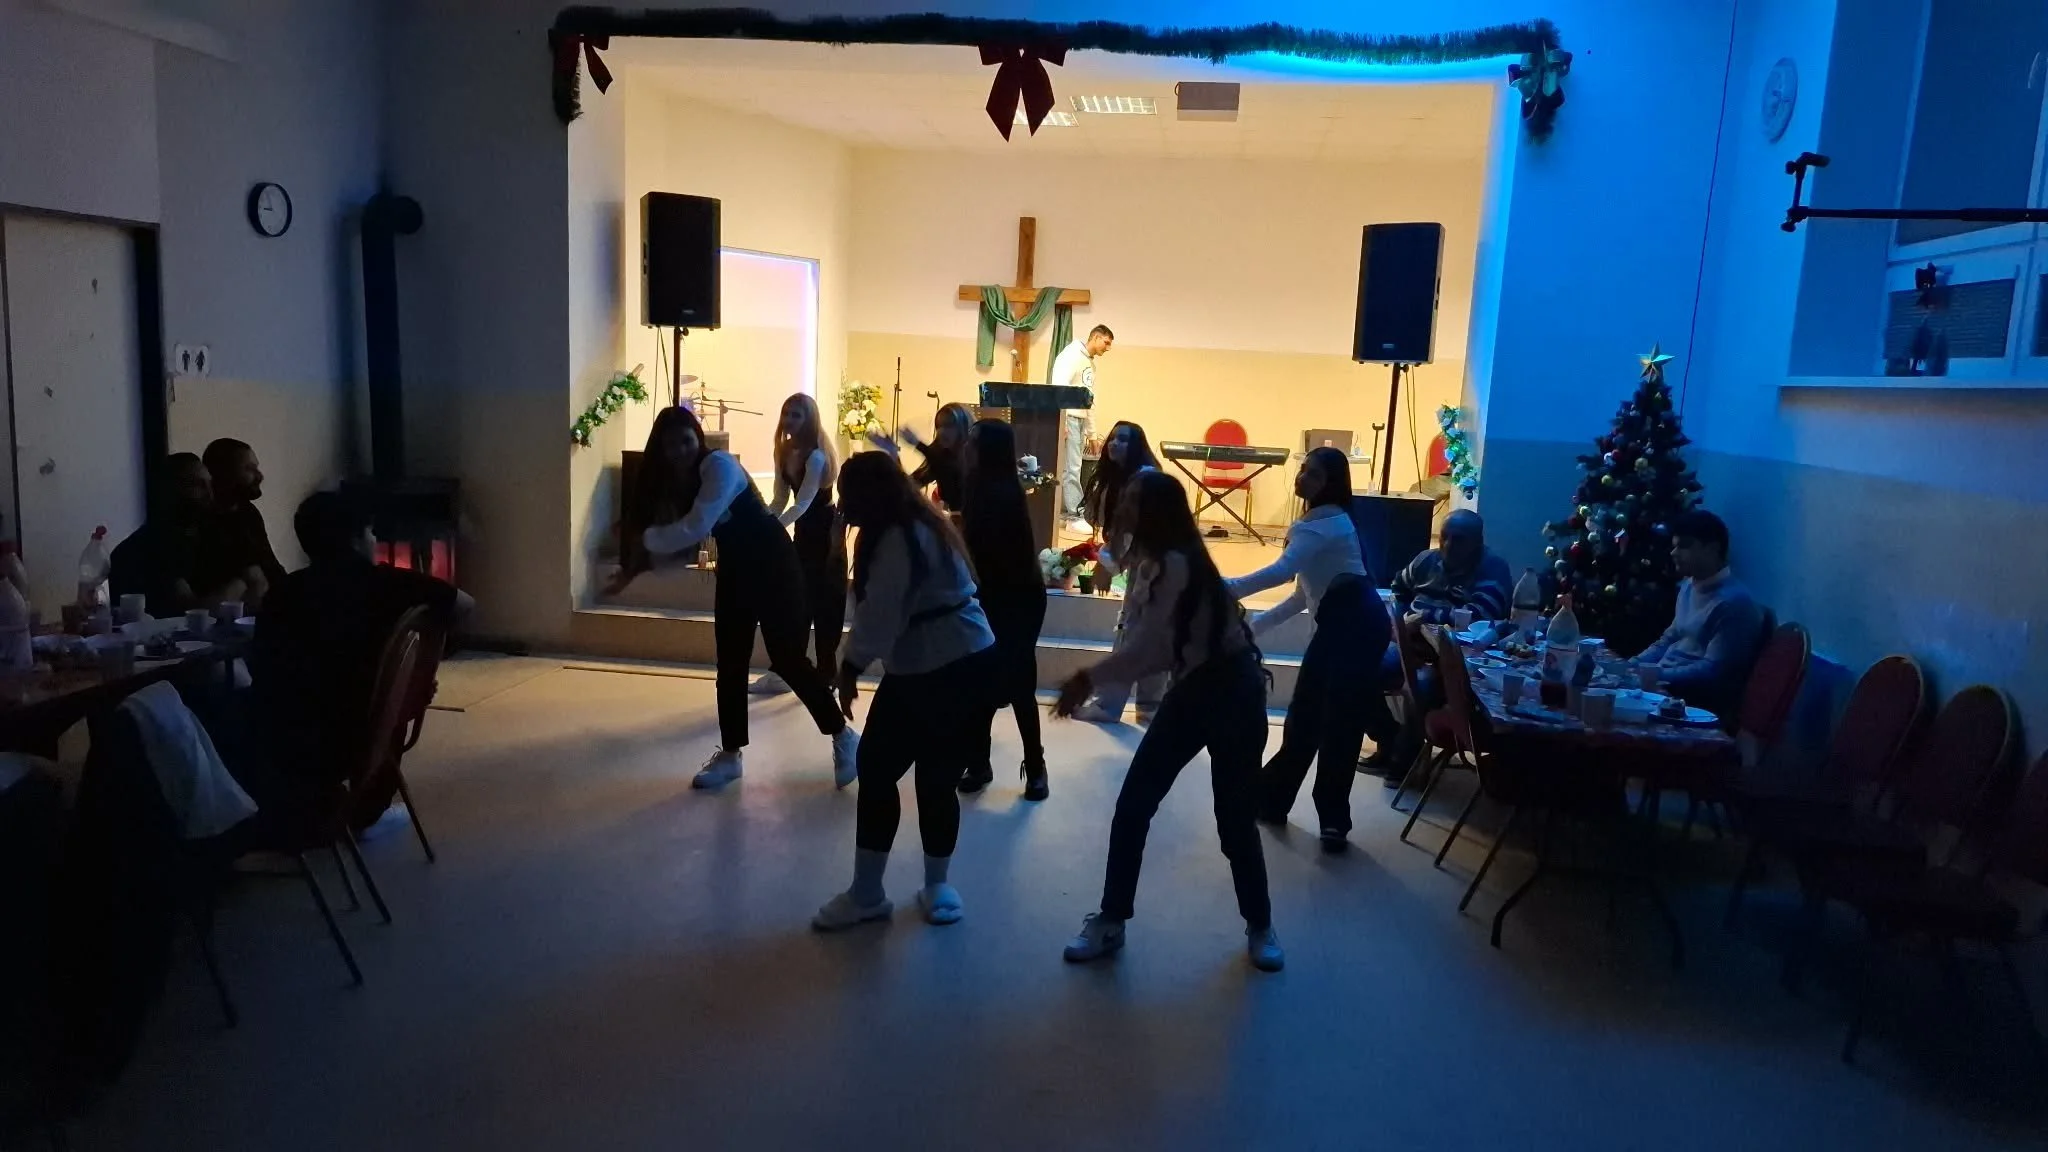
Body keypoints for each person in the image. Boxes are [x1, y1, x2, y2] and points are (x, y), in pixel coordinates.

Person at [1055, 471, 1283, 973]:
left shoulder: (1176, 564)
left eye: (1135, 500)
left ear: (1156, 511)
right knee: (1135, 804)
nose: (1126, 504)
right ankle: (1111, 919)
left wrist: (1087, 678)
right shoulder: (1154, 560)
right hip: (1195, 687)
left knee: (1233, 822)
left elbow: (1151, 650)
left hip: (1232, 689)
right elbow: (1154, 646)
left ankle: (1261, 924)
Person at [614, 405, 858, 790]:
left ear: (698, 437)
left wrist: (640, 544)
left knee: (789, 660)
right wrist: (635, 566)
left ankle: (844, 738)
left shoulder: (720, 467)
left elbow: (694, 527)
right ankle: (730, 756)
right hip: (736, 571)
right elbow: (678, 537)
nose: (678, 450)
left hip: (775, 565)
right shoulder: (674, 480)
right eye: (669, 444)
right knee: (730, 662)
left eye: (685, 440)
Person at [814, 452, 999, 931]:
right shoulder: (919, 522)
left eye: (847, 497)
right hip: (953, 659)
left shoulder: (899, 536)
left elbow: (881, 613)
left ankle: (876, 892)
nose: (842, 506)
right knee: (916, 775)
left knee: (891, 770)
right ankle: (918, 887)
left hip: (946, 664)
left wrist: (849, 666)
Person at [249, 490, 459, 831]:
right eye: (371, 533)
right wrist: (419, 673)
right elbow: (463, 605)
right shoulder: (389, 584)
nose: (375, 540)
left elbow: (265, 674)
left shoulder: (284, 594)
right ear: (355, 537)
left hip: (299, 741)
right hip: (368, 735)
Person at [1227, 447, 1398, 853]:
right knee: (1310, 718)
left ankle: (1327, 819)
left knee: (1333, 721)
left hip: (1353, 623)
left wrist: (1224, 587)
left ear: (1331, 484)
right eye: (1303, 470)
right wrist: (1252, 629)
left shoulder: (1322, 524)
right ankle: (1276, 802)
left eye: (1313, 474)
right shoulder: (1324, 521)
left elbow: (1281, 572)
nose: (1302, 477)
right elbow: (1302, 596)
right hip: (1352, 621)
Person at [1362, 509, 1515, 781]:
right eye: (1445, 537)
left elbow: (1480, 615)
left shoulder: (1493, 568)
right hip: (1411, 645)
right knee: (1356, 669)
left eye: (1460, 539)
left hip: (1457, 660)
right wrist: (1402, 620)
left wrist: (1420, 617)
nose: (1449, 545)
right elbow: (1398, 588)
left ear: (1478, 542)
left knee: (1420, 688)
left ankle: (1403, 763)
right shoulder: (1427, 560)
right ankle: (1389, 740)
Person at [956, 419, 1049, 799]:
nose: (966, 445)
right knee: (980, 683)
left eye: (972, 440)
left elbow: (994, 555)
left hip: (1017, 598)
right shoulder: (979, 484)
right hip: (991, 594)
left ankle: (1036, 766)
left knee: (1019, 683)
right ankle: (979, 761)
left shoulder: (1002, 492)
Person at [752, 393, 847, 698]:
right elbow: (780, 500)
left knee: (826, 605)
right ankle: (788, 670)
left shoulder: (816, 456)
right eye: (786, 414)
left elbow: (804, 503)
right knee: (797, 603)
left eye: (797, 414)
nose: (789, 420)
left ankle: (825, 674)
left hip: (825, 532)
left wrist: (769, 530)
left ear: (810, 419)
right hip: (804, 533)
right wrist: (761, 523)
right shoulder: (783, 451)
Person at [1071, 420, 1165, 724]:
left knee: (1133, 633)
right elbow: (1105, 523)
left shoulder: (1145, 479)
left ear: (1137, 446)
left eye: (1123, 440)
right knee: (1145, 634)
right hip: (1146, 566)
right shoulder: (1119, 479)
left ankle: (1111, 706)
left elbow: (1129, 533)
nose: (1114, 444)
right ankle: (1148, 708)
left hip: (1159, 568)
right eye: (1112, 439)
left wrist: (1108, 564)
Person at [1637, 508, 1766, 722]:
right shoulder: (1689, 586)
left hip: (1691, 703)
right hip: (1661, 688)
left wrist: (1655, 675)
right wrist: (1633, 665)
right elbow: (1669, 638)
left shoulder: (1733, 604)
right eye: (1674, 545)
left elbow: (1713, 671)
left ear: (1713, 549)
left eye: (1684, 546)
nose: (1673, 553)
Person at [111, 453, 254, 620]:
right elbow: (195, 614)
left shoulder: (219, 535)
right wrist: (241, 583)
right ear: (171, 490)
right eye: (198, 485)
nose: (209, 494)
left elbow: (260, 588)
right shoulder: (147, 547)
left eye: (210, 484)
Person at [199, 437, 288, 607]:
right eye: (249, 469)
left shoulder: (248, 513)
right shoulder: (203, 524)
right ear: (222, 474)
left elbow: (271, 568)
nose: (260, 476)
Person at [1050, 324, 1114, 534]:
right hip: (1068, 418)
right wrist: (1061, 419)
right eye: (1106, 342)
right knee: (1072, 468)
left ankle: (1064, 514)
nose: (1108, 348)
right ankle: (1073, 516)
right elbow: (1058, 387)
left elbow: (1089, 401)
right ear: (1095, 337)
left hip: (1078, 420)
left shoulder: (1090, 364)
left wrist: (1092, 434)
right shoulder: (1070, 356)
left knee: (1072, 467)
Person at [895, 402, 973, 512]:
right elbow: (910, 486)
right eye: (939, 426)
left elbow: (950, 471)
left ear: (963, 427)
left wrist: (919, 445)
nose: (941, 431)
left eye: (948, 425)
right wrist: (893, 454)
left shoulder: (973, 457)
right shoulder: (939, 456)